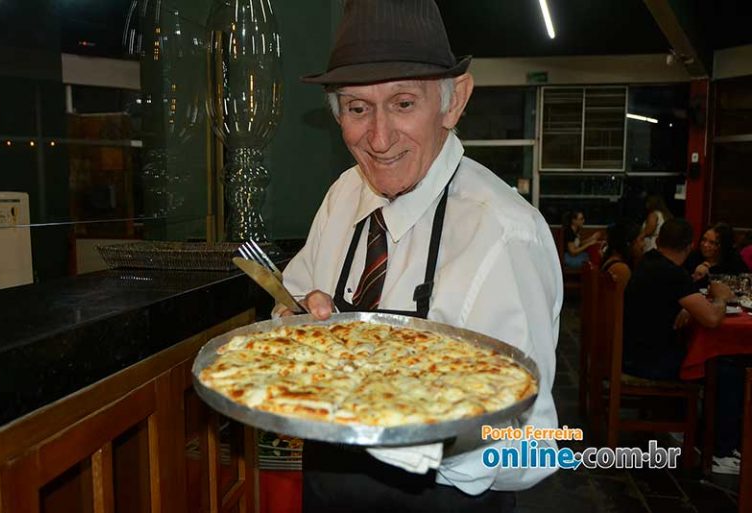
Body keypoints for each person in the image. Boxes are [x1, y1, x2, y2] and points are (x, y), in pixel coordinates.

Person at [276, 1, 563, 511]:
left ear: (454, 103)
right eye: (357, 108)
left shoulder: (504, 235)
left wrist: (401, 428)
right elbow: (295, 297)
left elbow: (532, 450)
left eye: (403, 103)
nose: (379, 139)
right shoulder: (343, 195)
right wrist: (296, 323)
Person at [622, 218, 743, 474]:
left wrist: (688, 306)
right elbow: (712, 319)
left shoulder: (649, 261)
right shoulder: (673, 274)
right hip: (650, 362)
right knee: (727, 369)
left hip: (631, 353)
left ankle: (695, 434)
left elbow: (677, 299)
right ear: (689, 246)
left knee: (719, 363)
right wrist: (721, 298)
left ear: (659, 240)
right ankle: (720, 452)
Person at [684, 223, 748, 288]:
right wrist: (695, 277)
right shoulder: (692, 259)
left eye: (712, 243)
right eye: (704, 239)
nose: (705, 245)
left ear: (724, 245)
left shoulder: (734, 264)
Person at [600, 220, 644, 286]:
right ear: (629, 243)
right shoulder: (620, 268)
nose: (644, 244)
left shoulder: (614, 261)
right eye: (641, 239)